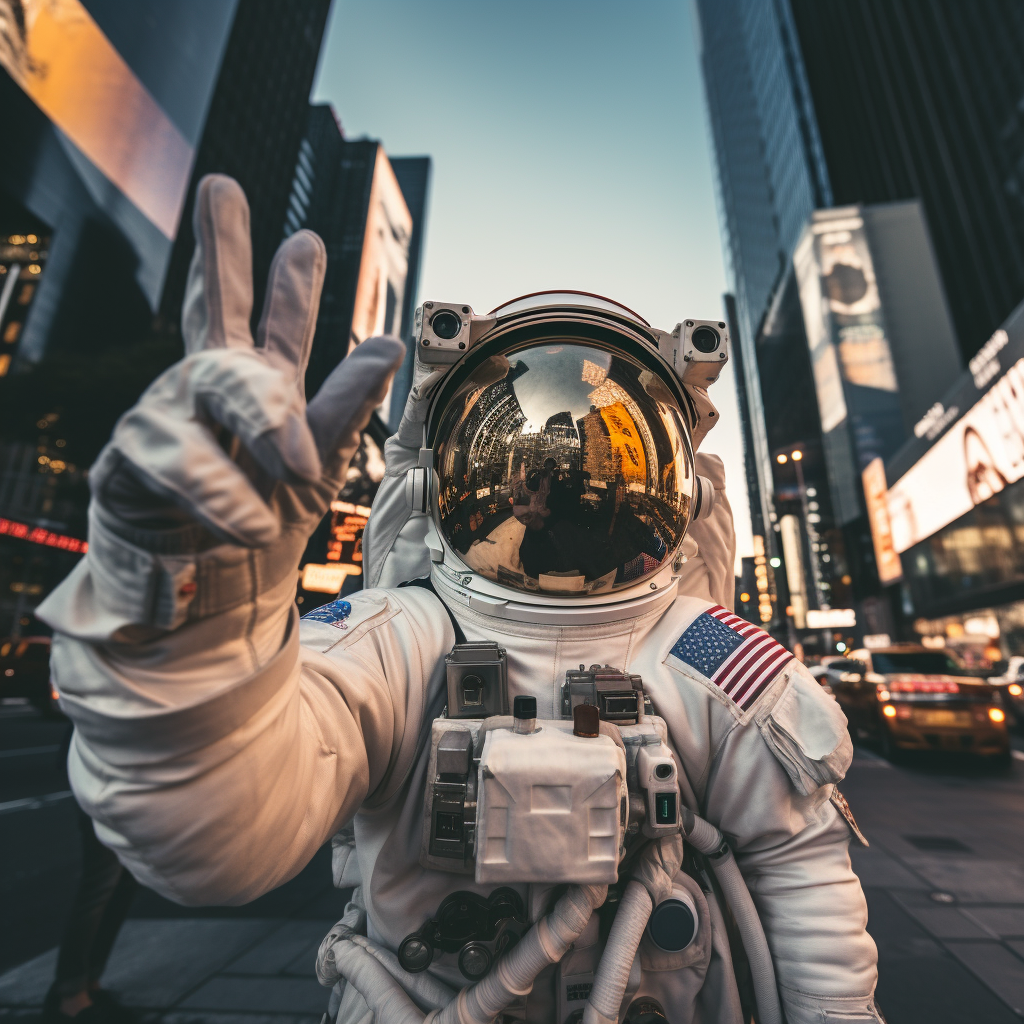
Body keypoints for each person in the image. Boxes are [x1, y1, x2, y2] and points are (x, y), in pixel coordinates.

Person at [37, 176, 884, 1024]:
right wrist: (196, 620)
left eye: (587, 468)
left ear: (680, 488)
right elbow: (210, 840)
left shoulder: (708, 653)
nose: (562, 485)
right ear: (446, 478)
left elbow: (805, 886)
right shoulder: (394, 637)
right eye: (529, 464)